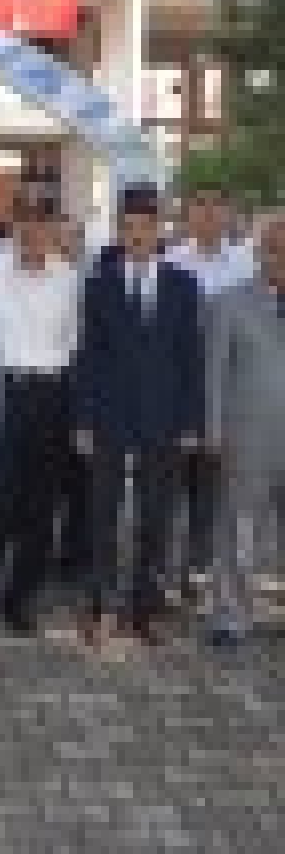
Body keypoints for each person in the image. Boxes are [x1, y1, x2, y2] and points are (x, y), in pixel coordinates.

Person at [75, 185, 203, 648]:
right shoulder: (99, 283)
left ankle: (144, 608)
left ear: (159, 229)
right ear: (118, 229)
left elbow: (191, 358)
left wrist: (191, 422)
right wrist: (83, 419)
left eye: (146, 226)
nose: (137, 235)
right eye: (128, 226)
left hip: (164, 418)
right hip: (109, 417)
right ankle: (101, 605)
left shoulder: (183, 285)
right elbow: (88, 356)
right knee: (103, 516)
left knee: (156, 516)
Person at [0, 199, 79, 633]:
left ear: (54, 229)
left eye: (43, 224)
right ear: (13, 225)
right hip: (1, 391)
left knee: (41, 505)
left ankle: (22, 598)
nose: (34, 233)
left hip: (51, 395)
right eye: (26, 223)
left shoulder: (70, 278)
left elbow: (74, 341)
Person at [165, 186, 255, 602]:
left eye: (216, 206)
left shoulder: (245, 265)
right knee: (167, 488)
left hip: (228, 394)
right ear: (188, 215)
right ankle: (162, 570)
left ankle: (199, 572)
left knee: (213, 490)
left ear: (228, 214)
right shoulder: (170, 262)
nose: (208, 214)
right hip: (177, 392)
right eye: (199, 206)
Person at [206, 212, 285, 648]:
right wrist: (214, 433)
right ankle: (229, 614)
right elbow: (214, 375)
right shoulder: (228, 303)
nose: (281, 257)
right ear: (259, 253)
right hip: (246, 436)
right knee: (236, 527)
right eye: (274, 249)